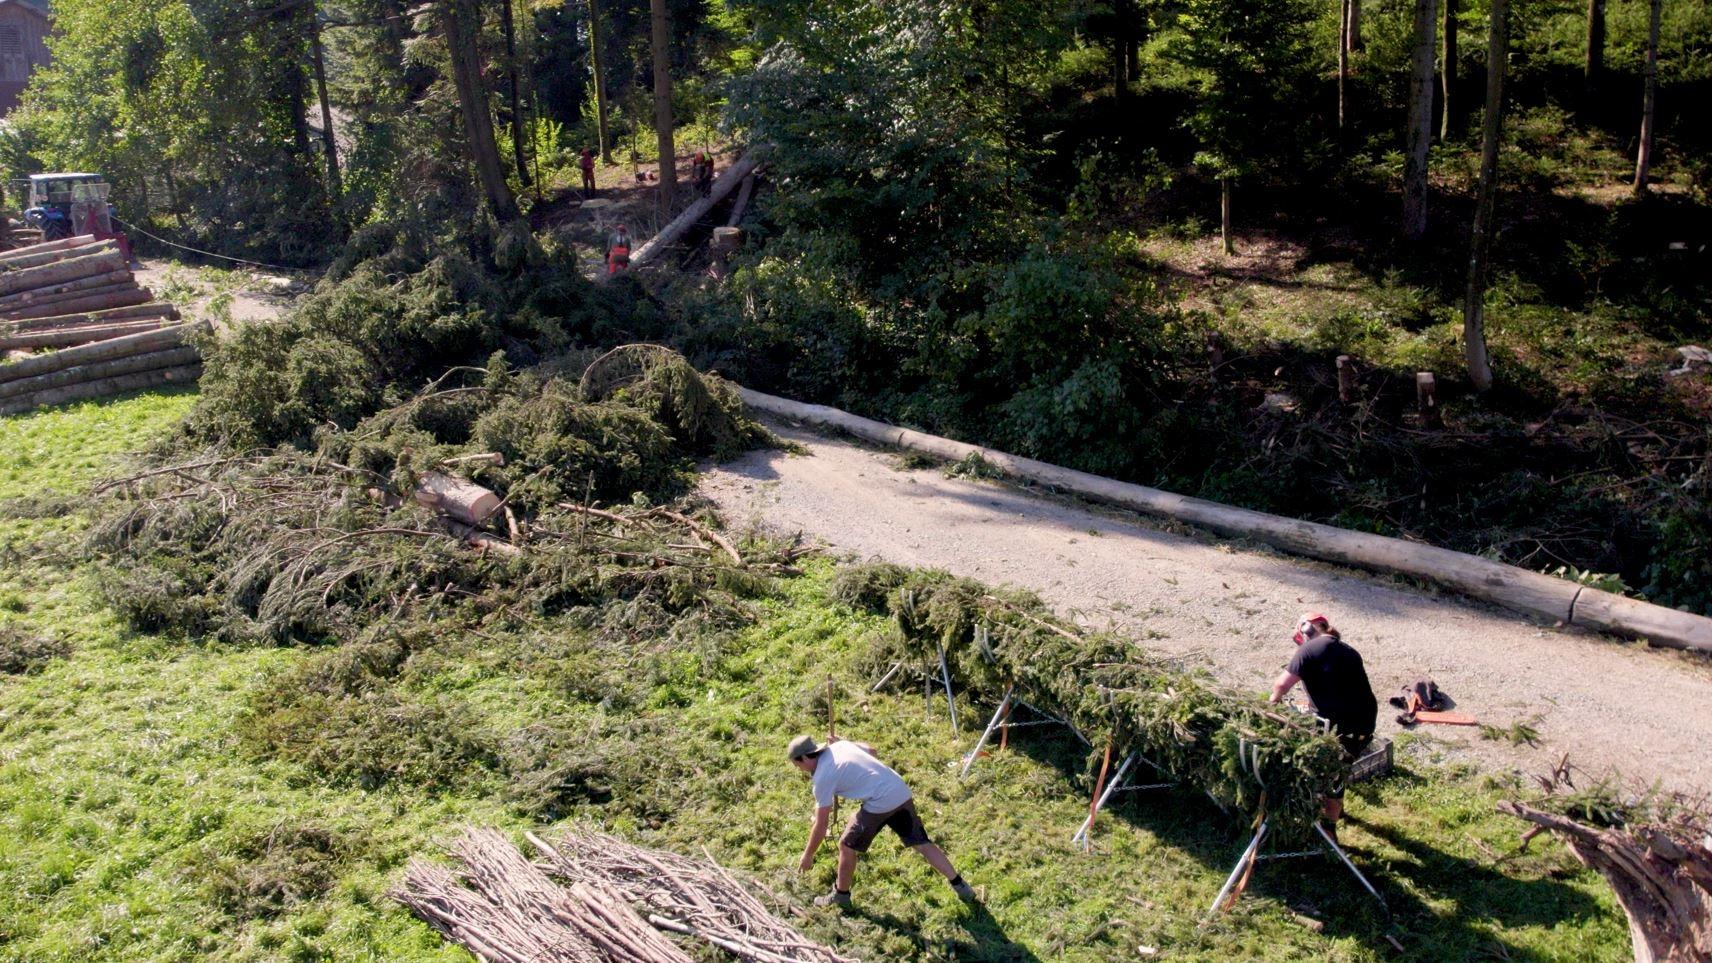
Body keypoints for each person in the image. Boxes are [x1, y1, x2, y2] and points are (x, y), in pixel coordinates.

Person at [787, 734, 975, 908]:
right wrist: (847, 743)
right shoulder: (840, 745)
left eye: (798, 766)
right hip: (899, 790)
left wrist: (808, 855)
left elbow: (821, 825)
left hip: (880, 801)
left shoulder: (822, 777)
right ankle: (962, 887)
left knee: (846, 845)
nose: (801, 770)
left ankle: (840, 896)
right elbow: (872, 751)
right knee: (922, 843)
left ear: (803, 758)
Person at [1268, 613, 1377, 833]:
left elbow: (1281, 685)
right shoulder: (1348, 651)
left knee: (1328, 773)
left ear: (1308, 628)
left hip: (1340, 730)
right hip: (1364, 725)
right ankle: (1338, 808)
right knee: (1341, 765)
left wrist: (1270, 707)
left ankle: (1328, 830)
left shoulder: (1310, 648)